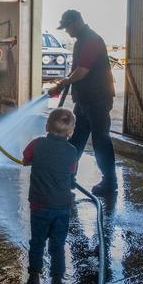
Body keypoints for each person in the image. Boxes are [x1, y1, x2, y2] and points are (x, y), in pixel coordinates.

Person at [48, 10, 117, 195]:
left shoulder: (91, 40)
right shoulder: (81, 41)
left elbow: (83, 70)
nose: (67, 32)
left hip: (98, 99)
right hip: (85, 99)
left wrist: (63, 82)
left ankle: (110, 183)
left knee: (101, 140)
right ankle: (68, 176)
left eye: (68, 27)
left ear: (76, 22)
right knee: (76, 140)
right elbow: (78, 71)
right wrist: (65, 84)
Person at [22, 108, 78, 284]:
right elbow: (71, 173)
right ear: (70, 133)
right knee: (57, 245)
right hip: (62, 208)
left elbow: (25, 159)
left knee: (37, 243)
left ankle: (34, 282)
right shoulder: (72, 152)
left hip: (39, 206)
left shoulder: (37, 144)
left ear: (46, 127)